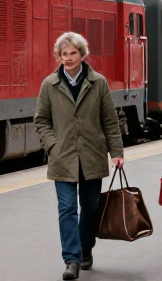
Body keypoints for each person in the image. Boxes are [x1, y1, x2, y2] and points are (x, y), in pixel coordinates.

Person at [34, 32, 124, 280]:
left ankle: (86, 248)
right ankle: (71, 259)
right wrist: (54, 144)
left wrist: (116, 152)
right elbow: (41, 120)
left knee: (91, 207)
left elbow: (110, 120)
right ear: (59, 57)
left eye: (73, 53)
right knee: (67, 209)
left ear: (82, 55)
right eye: (64, 54)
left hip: (92, 155)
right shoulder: (49, 84)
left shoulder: (99, 83)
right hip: (63, 158)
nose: (68, 58)